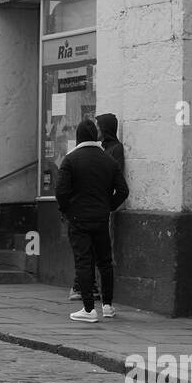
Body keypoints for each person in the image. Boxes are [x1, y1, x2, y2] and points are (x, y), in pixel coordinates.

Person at [56, 117, 129, 322]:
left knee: (84, 261)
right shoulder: (108, 160)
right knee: (105, 262)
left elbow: (61, 192)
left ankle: (88, 309)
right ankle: (107, 305)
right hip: (100, 218)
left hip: (78, 219)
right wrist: (108, 206)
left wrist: (67, 210)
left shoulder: (70, 160)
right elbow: (123, 190)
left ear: (78, 136)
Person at [69, 112, 126, 300]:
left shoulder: (115, 150)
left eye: (99, 127)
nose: (97, 130)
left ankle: (91, 293)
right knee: (88, 251)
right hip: (95, 207)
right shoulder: (100, 150)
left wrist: (109, 205)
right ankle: (86, 287)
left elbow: (119, 183)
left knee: (100, 256)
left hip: (100, 209)